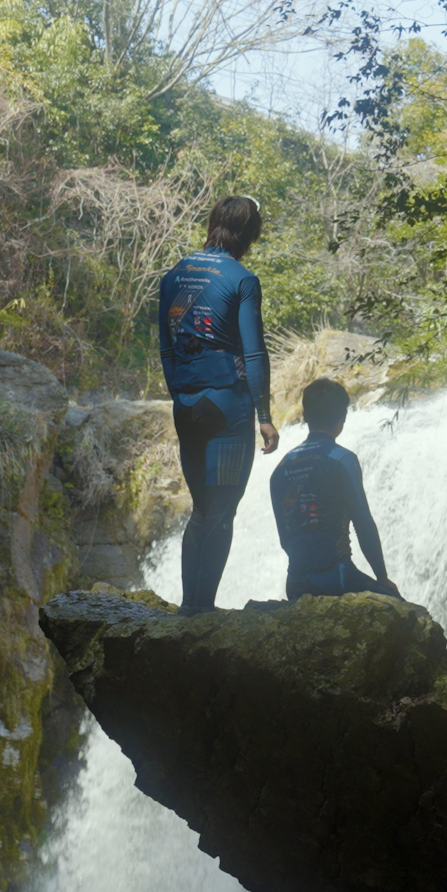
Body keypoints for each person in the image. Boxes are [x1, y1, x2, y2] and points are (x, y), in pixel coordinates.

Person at [156, 195, 279, 615]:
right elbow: (256, 354)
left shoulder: (174, 274)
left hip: (186, 407)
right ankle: (201, 611)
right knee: (221, 513)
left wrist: (180, 393)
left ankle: (188, 606)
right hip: (228, 410)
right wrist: (264, 417)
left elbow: (166, 347)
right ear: (249, 233)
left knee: (201, 510)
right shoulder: (243, 279)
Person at [269, 378, 400, 600]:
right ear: (343, 418)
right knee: (404, 614)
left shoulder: (280, 468)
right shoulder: (342, 459)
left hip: (296, 584)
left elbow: (285, 537)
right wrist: (382, 577)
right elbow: (363, 523)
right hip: (338, 578)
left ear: (305, 415)